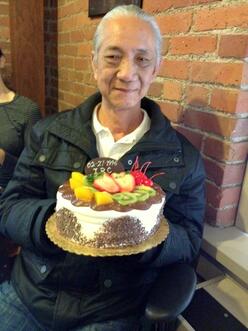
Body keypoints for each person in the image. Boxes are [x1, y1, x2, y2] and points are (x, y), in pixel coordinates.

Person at [0, 5, 205, 331]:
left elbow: (189, 241)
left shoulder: (184, 159)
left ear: (155, 69)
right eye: (113, 57)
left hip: (113, 309)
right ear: (94, 61)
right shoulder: (47, 132)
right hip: (32, 293)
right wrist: (57, 224)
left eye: (142, 59)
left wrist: (139, 238)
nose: (127, 73)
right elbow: (9, 207)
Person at [0, 47, 41, 281]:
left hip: (7, 197)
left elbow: (35, 173)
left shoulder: (25, 110)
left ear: (2, 61)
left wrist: (4, 158)